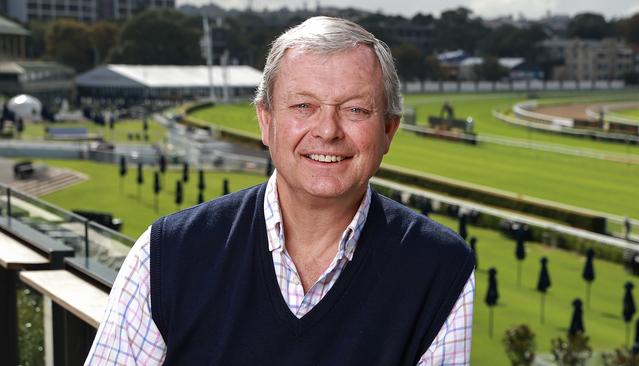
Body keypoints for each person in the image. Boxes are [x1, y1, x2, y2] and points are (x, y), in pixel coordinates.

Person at [85, 16, 475, 365]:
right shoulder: (164, 253)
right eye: (304, 106)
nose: (327, 130)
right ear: (265, 121)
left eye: (356, 110)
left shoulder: (441, 269)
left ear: (389, 130)